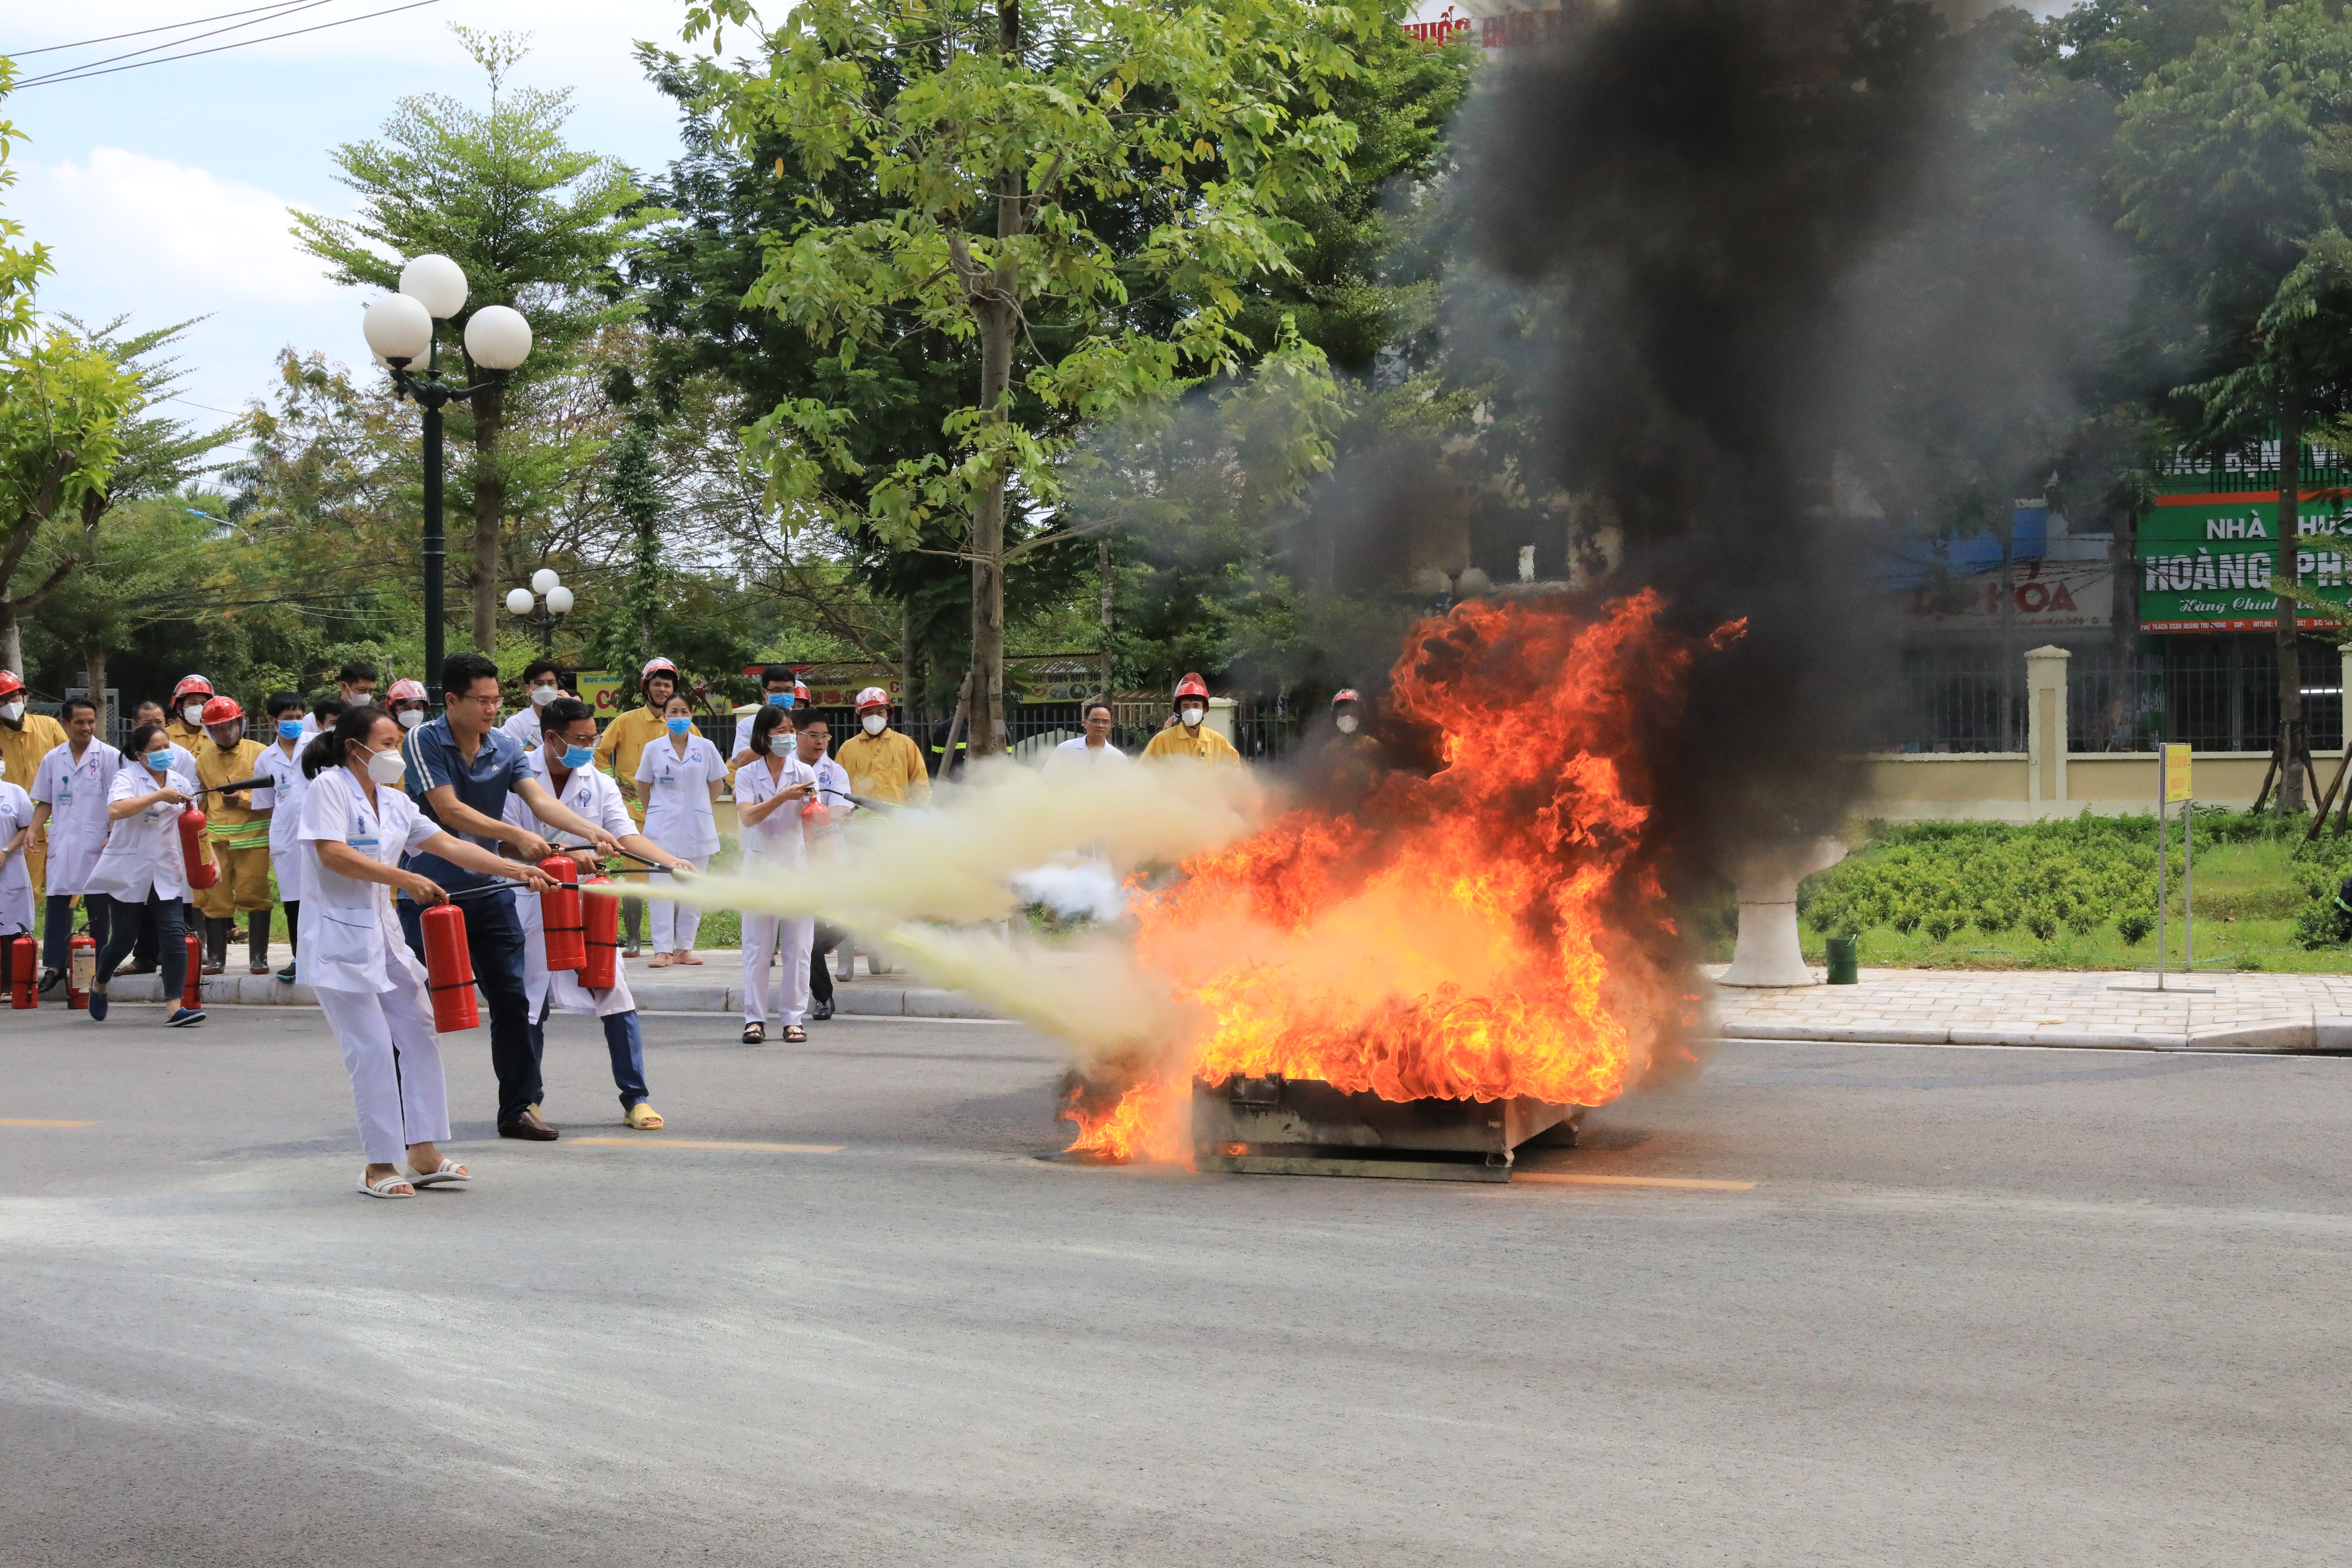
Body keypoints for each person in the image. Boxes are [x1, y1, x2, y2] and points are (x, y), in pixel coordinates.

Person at [299, 705, 552, 1199]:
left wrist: (514, 870)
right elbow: (332, 853)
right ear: (356, 748)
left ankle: (423, 1152)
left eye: (399, 742)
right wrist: (405, 877)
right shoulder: (328, 788)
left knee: (420, 1031)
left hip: (385, 939)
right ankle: (377, 1166)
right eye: (388, 743)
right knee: (372, 1050)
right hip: (338, 944)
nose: (397, 753)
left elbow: (452, 847)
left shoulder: (395, 804)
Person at [400, 651, 622, 1142]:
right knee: (414, 1007)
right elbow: (449, 810)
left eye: (497, 700)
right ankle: (405, 1114)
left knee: (512, 1001)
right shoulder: (423, 739)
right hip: (431, 894)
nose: (492, 710)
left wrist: (593, 832)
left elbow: (539, 800)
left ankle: (518, 1109)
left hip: (492, 891)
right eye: (482, 700)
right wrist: (519, 839)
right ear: (452, 699)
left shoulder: (504, 744)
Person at [505, 698, 695, 1129]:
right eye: (581, 739)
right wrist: (568, 856)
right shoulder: (517, 777)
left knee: (614, 992)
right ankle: (528, 1099)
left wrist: (670, 862)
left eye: (593, 738)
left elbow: (625, 836)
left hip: (590, 904)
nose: (589, 746)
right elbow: (504, 845)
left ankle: (636, 1098)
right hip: (535, 902)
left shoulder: (600, 781)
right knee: (531, 1002)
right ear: (551, 738)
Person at [83, 724, 205, 1028]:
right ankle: (100, 983)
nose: (165, 754)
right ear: (140, 756)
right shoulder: (127, 778)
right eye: (156, 750)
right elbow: (115, 811)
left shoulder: (180, 782)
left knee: (175, 937)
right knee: (124, 941)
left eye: (168, 747)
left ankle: (175, 1008)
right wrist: (158, 796)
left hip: (166, 868)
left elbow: (195, 827)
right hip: (130, 870)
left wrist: (208, 862)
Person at [734, 703, 819, 1045]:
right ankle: (754, 1019)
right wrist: (783, 797)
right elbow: (748, 817)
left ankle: (793, 1019)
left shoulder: (805, 773)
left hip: (796, 868)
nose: (787, 737)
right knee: (757, 947)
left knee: (798, 948)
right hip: (759, 868)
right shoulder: (747, 775)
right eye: (780, 731)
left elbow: (815, 822)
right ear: (764, 735)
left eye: (790, 731)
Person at [595, 657, 688, 959]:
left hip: (671, 813)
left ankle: (671, 942)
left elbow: (702, 758)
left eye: (668, 685)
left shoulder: (684, 724)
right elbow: (598, 755)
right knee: (635, 875)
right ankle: (634, 940)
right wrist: (612, 783)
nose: (663, 689)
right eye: (657, 684)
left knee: (670, 872)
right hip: (632, 812)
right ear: (645, 688)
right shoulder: (625, 721)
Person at [29, 697, 118, 991]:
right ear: (66, 724)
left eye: (91, 721)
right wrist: (33, 830)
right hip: (63, 843)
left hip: (97, 841)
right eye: (79, 722)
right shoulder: (53, 758)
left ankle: (98, 967)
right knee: (58, 902)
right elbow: (46, 800)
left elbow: (117, 802)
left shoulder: (109, 757)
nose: (87, 727)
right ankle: (54, 966)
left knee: (97, 904)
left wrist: (111, 835)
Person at [634, 690, 724, 967]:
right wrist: (656, 811)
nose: (679, 717)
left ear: (692, 715)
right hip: (661, 827)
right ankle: (662, 949)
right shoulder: (653, 749)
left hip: (698, 825)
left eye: (684, 712)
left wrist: (699, 807)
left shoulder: (706, 747)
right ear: (665, 715)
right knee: (662, 887)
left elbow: (718, 785)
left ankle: (684, 948)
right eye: (673, 712)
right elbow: (644, 786)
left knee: (693, 889)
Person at [192, 695, 273, 976]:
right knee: (215, 900)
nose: (226, 732)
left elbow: (270, 798)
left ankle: (259, 958)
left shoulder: (261, 753)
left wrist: (241, 799)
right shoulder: (203, 760)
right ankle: (216, 959)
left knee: (256, 895)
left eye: (230, 726)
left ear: (241, 723)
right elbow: (202, 804)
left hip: (253, 840)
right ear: (208, 731)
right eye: (218, 728)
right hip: (216, 842)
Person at [796, 715, 854, 1021]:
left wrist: (822, 819)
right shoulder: (786, 769)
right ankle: (823, 998)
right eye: (813, 735)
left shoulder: (835, 771)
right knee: (807, 930)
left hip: (832, 858)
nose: (820, 742)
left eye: (826, 737)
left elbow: (843, 808)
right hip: (797, 860)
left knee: (847, 921)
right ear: (797, 735)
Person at [253, 693, 313, 984]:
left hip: (320, 834)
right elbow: (265, 804)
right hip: (287, 839)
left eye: (299, 716)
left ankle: (324, 956)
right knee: (294, 901)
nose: (294, 723)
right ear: (273, 721)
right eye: (288, 718)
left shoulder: (318, 746)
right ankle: (300, 957)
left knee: (324, 895)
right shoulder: (266, 758)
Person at [0, 671, 69, 914]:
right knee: (20, 892)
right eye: (4, 699)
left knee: (67, 891)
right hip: (16, 828)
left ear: (24, 695)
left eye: (15, 696)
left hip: (56, 821)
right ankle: (19, 943)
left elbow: (69, 764)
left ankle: (62, 943)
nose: (11, 704)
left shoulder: (48, 726)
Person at [836, 686, 931, 806]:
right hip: (859, 822)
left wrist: (922, 815)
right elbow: (838, 787)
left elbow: (920, 784)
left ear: (888, 715)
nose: (874, 718)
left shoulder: (905, 744)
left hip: (897, 821)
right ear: (860, 717)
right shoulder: (847, 749)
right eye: (868, 714)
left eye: (880, 713)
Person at [1142, 672, 1242, 764]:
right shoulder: (1162, 740)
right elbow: (1144, 772)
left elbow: (1234, 770)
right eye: (1186, 706)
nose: (1191, 711)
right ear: (1179, 710)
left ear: (1205, 709)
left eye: (1196, 706)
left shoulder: (1217, 741)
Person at [729, 666, 804, 761]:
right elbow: (742, 762)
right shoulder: (748, 724)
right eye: (777, 690)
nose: (783, 695)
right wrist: (770, 743)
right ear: (765, 693)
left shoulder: (803, 722)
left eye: (788, 690)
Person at [0, 751, 32, 952]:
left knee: (14, 935)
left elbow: (28, 827)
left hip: (11, 868)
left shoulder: (15, 793)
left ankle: (11, 983)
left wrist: (5, 851)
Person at [1050, 697, 1130, 772]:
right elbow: (1047, 779)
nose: (1100, 726)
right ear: (1085, 723)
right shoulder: (1065, 749)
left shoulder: (1118, 758)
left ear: (1111, 725)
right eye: (1095, 721)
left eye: (1106, 722)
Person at [501, 659, 565, 748]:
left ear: (557, 687)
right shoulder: (516, 724)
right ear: (528, 689)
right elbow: (515, 759)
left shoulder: (568, 720)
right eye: (539, 684)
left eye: (551, 683)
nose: (546, 689)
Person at [166, 675, 214, 754]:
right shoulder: (166, 736)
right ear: (179, 708)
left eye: (203, 703)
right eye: (193, 704)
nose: (199, 708)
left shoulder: (215, 736)